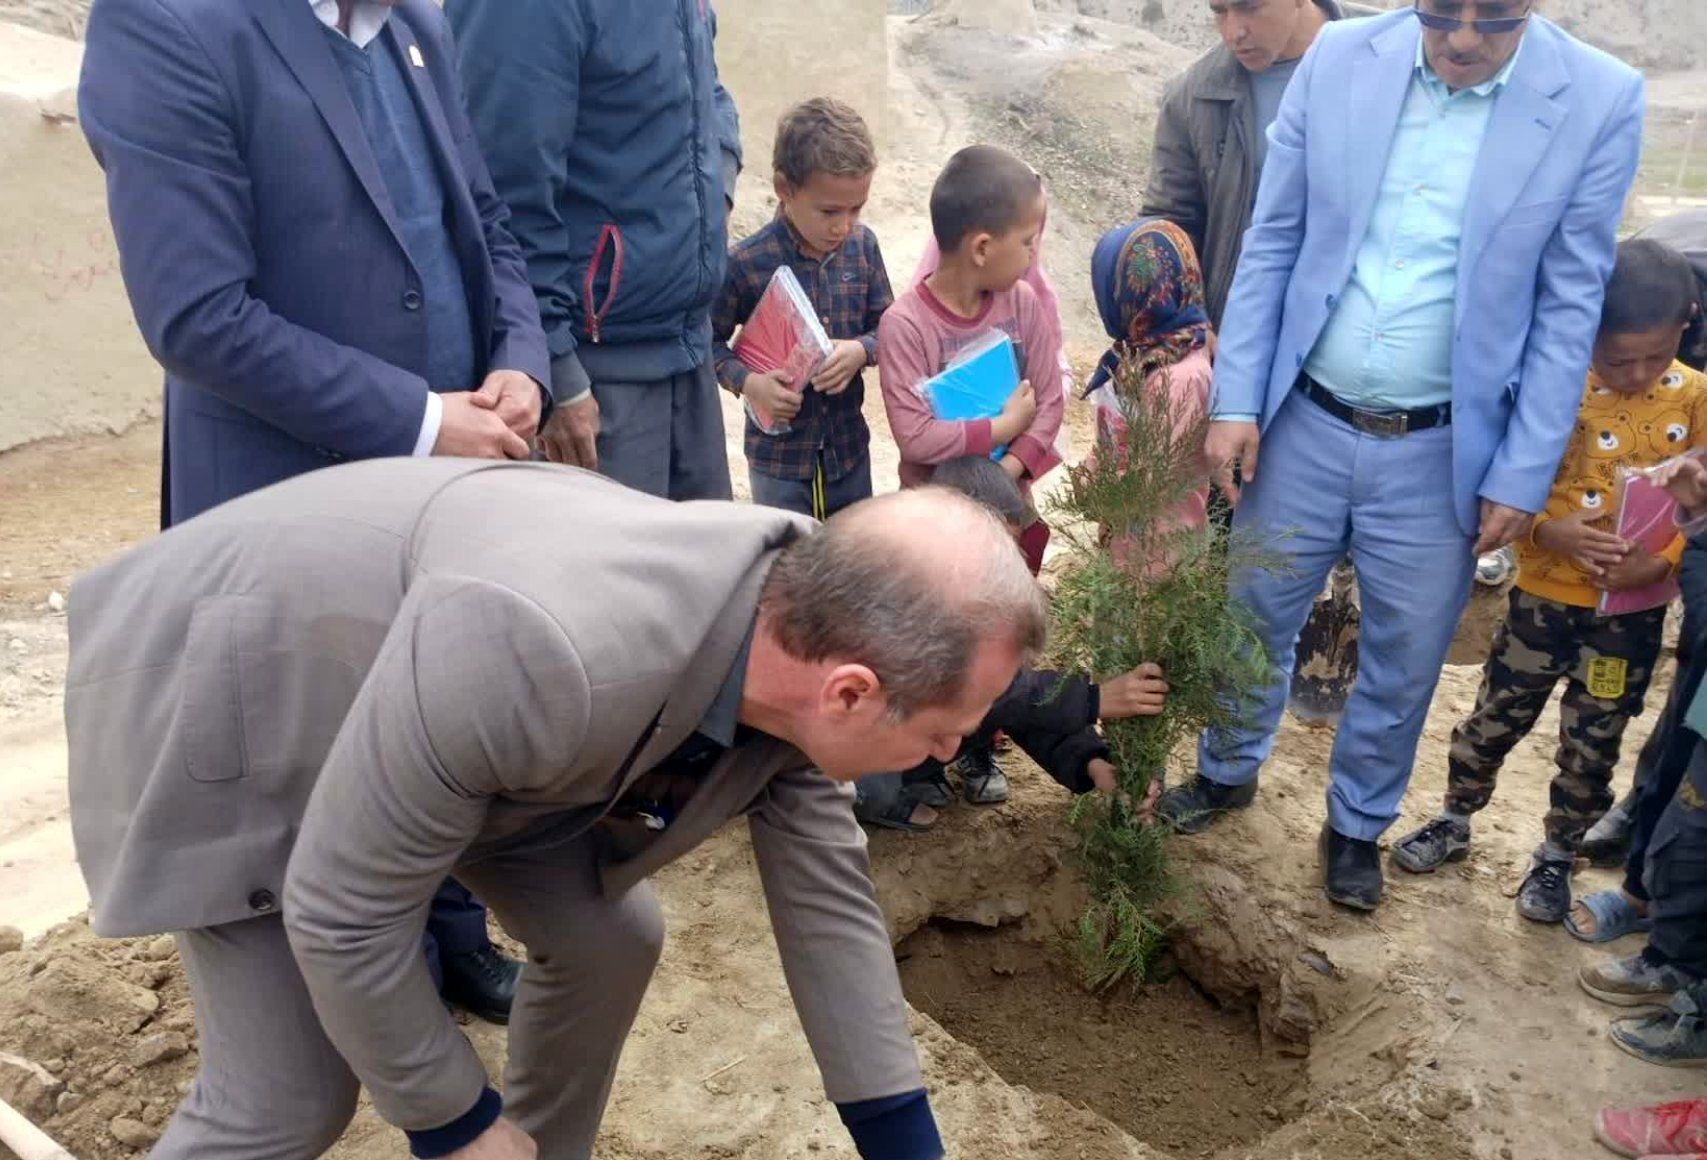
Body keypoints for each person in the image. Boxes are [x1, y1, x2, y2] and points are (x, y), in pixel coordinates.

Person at [65, 457, 1047, 1160]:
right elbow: (345, 907)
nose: (953, 751)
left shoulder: (798, 622)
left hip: (439, 721)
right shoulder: (547, 649)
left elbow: (832, 916)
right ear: (851, 689)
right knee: (287, 1098)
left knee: (612, 932)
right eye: (946, 730)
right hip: (236, 689)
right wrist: (453, 1120)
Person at [77, 0, 547, 1021]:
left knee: (437, 716)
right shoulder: (167, 26)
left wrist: (521, 360)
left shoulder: (419, 24)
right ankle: (362, 998)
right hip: (290, 503)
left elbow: (487, 224)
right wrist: (421, 419)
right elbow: (197, 314)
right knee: (325, 767)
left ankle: (453, 935)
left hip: (449, 483)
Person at [1161, 0, 1646, 913]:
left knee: (1403, 651)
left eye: (1491, 18)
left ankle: (1354, 825)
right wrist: (1234, 400)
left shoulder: (1597, 98)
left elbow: (1566, 303)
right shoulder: (1343, 57)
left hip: (1443, 450)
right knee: (1251, 614)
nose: (1461, 38)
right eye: (1440, 11)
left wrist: (1521, 471)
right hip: (1299, 418)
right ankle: (1225, 770)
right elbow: (1273, 240)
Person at [1390, 240, 1707, 925]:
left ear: (1685, 325)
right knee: (1495, 716)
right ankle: (1452, 817)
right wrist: (1546, 532)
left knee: (1594, 738)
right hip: (1543, 600)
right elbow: (1506, 480)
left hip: (1631, 615)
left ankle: (1557, 855)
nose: (1636, 373)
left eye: (1654, 357)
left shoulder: (1697, 397)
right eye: (1617, 358)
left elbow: (1703, 502)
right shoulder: (1552, 386)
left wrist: (1665, 558)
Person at [446, 0, 743, 501]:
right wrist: (556, 371)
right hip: (593, 375)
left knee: (703, 573)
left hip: (684, 351)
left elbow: (709, 94)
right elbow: (502, 195)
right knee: (611, 574)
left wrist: (721, 185)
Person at [878, 144, 1066, 804]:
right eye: (1028, 240)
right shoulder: (904, 326)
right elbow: (916, 436)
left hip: (1005, 512)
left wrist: (1010, 466)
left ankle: (981, 750)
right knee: (935, 639)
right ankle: (920, 763)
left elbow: (1050, 397)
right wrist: (1000, 430)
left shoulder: (1025, 308)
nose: (1034, 256)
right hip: (934, 524)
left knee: (996, 639)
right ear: (981, 247)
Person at [853, 455, 1169, 830]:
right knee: (874, 781)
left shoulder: (979, 593)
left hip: (919, 730)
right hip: (860, 740)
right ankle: (874, 799)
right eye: (992, 548)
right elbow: (986, 690)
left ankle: (915, 773)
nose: (1002, 563)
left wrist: (1092, 763)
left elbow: (1017, 696)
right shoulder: (900, 585)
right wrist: (1094, 699)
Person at [713, 98, 893, 519]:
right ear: (784, 189)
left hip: (847, 451)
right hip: (778, 458)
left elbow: (891, 326)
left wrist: (861, 350)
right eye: (830, 210)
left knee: (850, 561)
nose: (843, 225)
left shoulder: (863, 249)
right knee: (786, 561)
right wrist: (751, 384)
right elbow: (706, 343)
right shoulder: (746, 262)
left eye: (856, 208)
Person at [1140, 0, 1360, 329]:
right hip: (1238, 340)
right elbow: (1168, 227)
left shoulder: (1388, 63)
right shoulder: (1194, 97)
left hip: (1350, 343)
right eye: (1219, 12)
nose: (1234, 32)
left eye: (1250, 7)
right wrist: (1185, 322)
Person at [1084, 218, 1215, 540]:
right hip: (1126, 536)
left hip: (1159, 554)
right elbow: (1112, 438)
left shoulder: (1182, 377)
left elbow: (1157, 480)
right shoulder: (1137, 355)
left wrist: (1095, 487)